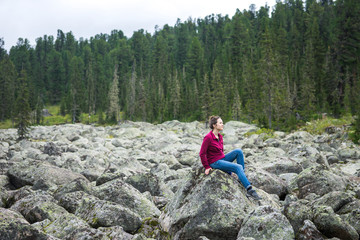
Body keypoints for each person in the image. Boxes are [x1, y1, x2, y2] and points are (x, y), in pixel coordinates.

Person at [199, 116, 261, 200]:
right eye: (220, 123)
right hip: (214, 162)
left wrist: (226, 167)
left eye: (222, 123)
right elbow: (202, 153)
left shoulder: (220, 137)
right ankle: (249, 190)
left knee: (238, 151)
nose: (222, 124)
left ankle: (241, 177)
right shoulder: (208, 137)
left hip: (222, 159)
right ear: (214, 125)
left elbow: (220, 152)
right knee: (237, 167)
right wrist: (207, 167)